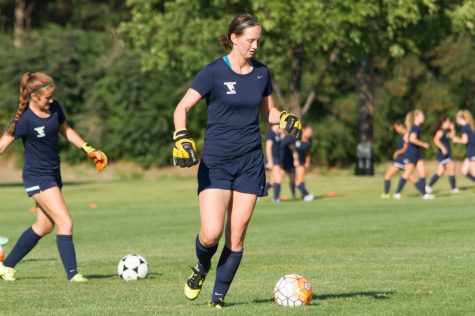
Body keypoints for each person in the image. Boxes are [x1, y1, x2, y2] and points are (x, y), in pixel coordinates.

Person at [172, 14, 302, 308]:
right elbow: (182, 108)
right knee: (211, 233)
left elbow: (267, 112)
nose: (255, 45)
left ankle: (218, 300)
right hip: (216, 162)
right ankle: (202, 267)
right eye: (250, 40)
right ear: (234, 38)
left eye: (258, 40)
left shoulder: (262, 73)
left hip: (250, 162)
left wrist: (283, 117)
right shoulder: (213, 72)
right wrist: (181, 137)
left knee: (237, 235)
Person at [0, 72, 107, 282]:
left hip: (53, 175)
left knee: (44, 226)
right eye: (47, 97)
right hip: (37, 177)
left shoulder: (55, 108)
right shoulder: (23, 120)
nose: (51, 101)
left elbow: (66, 130)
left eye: (52, 96)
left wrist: (88, 149)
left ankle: (5, 266)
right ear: (34, 96)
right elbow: (3, 144)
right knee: (65, 222)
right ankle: (73, 275)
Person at [393, 110, 434, 199]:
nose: (423, 117)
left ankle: (424, 194)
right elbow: (412, 139)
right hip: (411, 153)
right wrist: (424, 144)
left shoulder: (416, 127)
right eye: (421, 116)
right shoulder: (415, 127)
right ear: (416, 117)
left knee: (423, 173)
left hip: (417, 153)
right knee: (407, 173)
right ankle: (397, 193)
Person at [381, 119, 417, 198]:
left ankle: (386, 194)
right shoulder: (404, 134)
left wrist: (397, 152)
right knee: (411, 177)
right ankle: (423, 191)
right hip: (404, 159)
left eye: (396, 128)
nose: (396, 130)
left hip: (402, 159)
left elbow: (406, 147)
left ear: (400, 126)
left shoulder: (406, 135)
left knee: (387, 175)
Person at [426, 116, 459, 193]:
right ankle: (453, 188)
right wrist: (443, 148)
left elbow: (453, 138)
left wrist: (453, 128)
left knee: (440, 171)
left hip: (447, 154)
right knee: (451, 168)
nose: (449, 123)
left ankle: (428, 186)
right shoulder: (440, 131)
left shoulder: (446, 131)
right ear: (443, 123)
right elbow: (435, 140)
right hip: (443, 154)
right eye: (448, 122)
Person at [452, 110, 475, 182]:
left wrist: (457, 139)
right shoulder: (469, 126)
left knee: (473, 172)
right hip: (470, 152)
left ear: (460, 118)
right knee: (464, 170)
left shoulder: (464, 128)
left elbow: (465, 141)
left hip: (472, 152)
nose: (456, 121)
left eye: (456, 119)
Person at [294, 124, 314, 201]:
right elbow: (291, 148)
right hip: (289, 160)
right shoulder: (295, 137)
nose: (310, 133)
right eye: (308, 131)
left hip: (301, 162)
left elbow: (308, 153)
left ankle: (305, 195)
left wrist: (307, 162)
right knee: (275, 179)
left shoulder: (309, 141)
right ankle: (306, 195)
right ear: (303, 130)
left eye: (311, 132)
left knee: (299, 180)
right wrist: (295, 159)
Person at [265, 124, 283, 202]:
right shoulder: (271, 133)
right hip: (273, 159)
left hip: (277, 159)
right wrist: (270, 161)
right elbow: (268, 147)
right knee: (278, 177)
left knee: (273, 181)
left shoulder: (277, 134)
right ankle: (276, 198)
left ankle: (257, 194)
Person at [280, 130, 297, 199]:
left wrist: (296, 159)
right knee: (276, 180)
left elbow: (293, 149)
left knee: (292, 179)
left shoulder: (290, 138)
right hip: (281, 161)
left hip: (289, 161)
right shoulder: (280, 137)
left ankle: (293, 195)